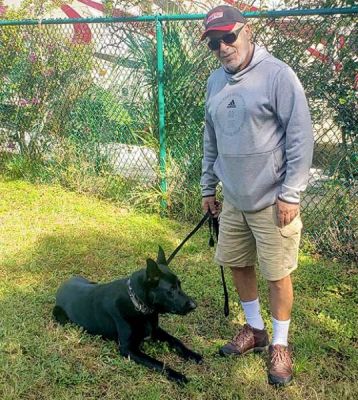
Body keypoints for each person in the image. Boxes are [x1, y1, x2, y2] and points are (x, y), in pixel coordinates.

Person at [200, 5, 314, 386]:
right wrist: (207, 187)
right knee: (237, 263)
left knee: (277, 274)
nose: (223, 47)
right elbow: (210, 138)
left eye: (228, 36)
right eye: (214, 43)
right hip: (232, 198)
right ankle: (255, 329)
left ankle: (279, 344)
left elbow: (300, 136)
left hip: (272, 200)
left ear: (247, 32)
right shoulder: (215, 82)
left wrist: (291, 194)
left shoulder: (278, 75)